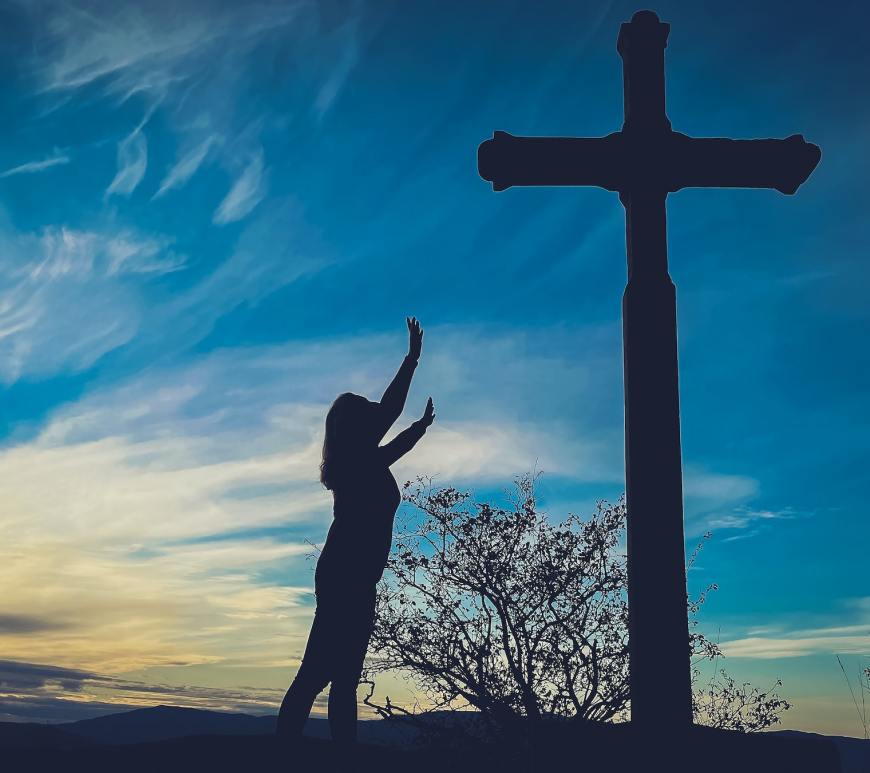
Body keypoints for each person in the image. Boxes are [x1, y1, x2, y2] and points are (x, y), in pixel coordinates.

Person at [277, 317, 435, 750]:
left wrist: (420, 428)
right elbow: (391, 411)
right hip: (346, 578)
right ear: (355, 426)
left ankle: (331, 755)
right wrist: (411, 360)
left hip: (355, 579)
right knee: (317, 674)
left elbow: (394, 441)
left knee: (341, 678)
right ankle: (284, 752)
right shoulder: (355, 462)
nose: (374, 411)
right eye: (367, 410)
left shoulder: (363, 460)